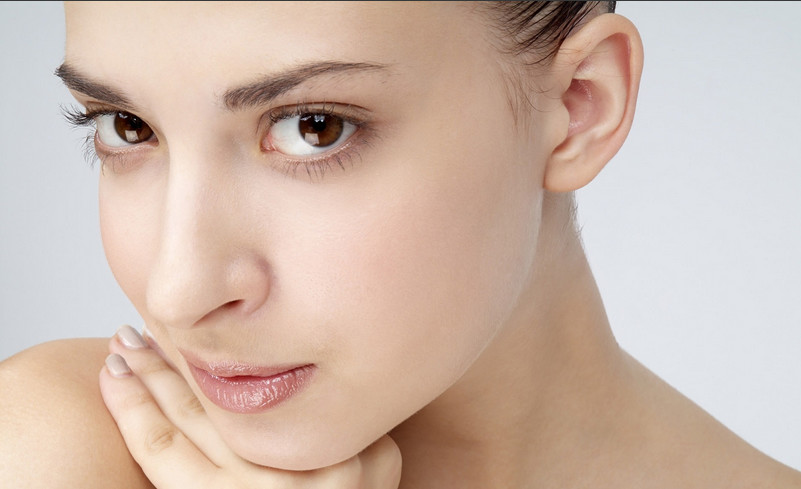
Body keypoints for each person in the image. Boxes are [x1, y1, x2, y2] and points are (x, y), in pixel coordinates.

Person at [1, 2, 799, 488]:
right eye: (126, 127)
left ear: (578, 105)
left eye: (313, 127)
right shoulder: (52, 451)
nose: (178, 290)